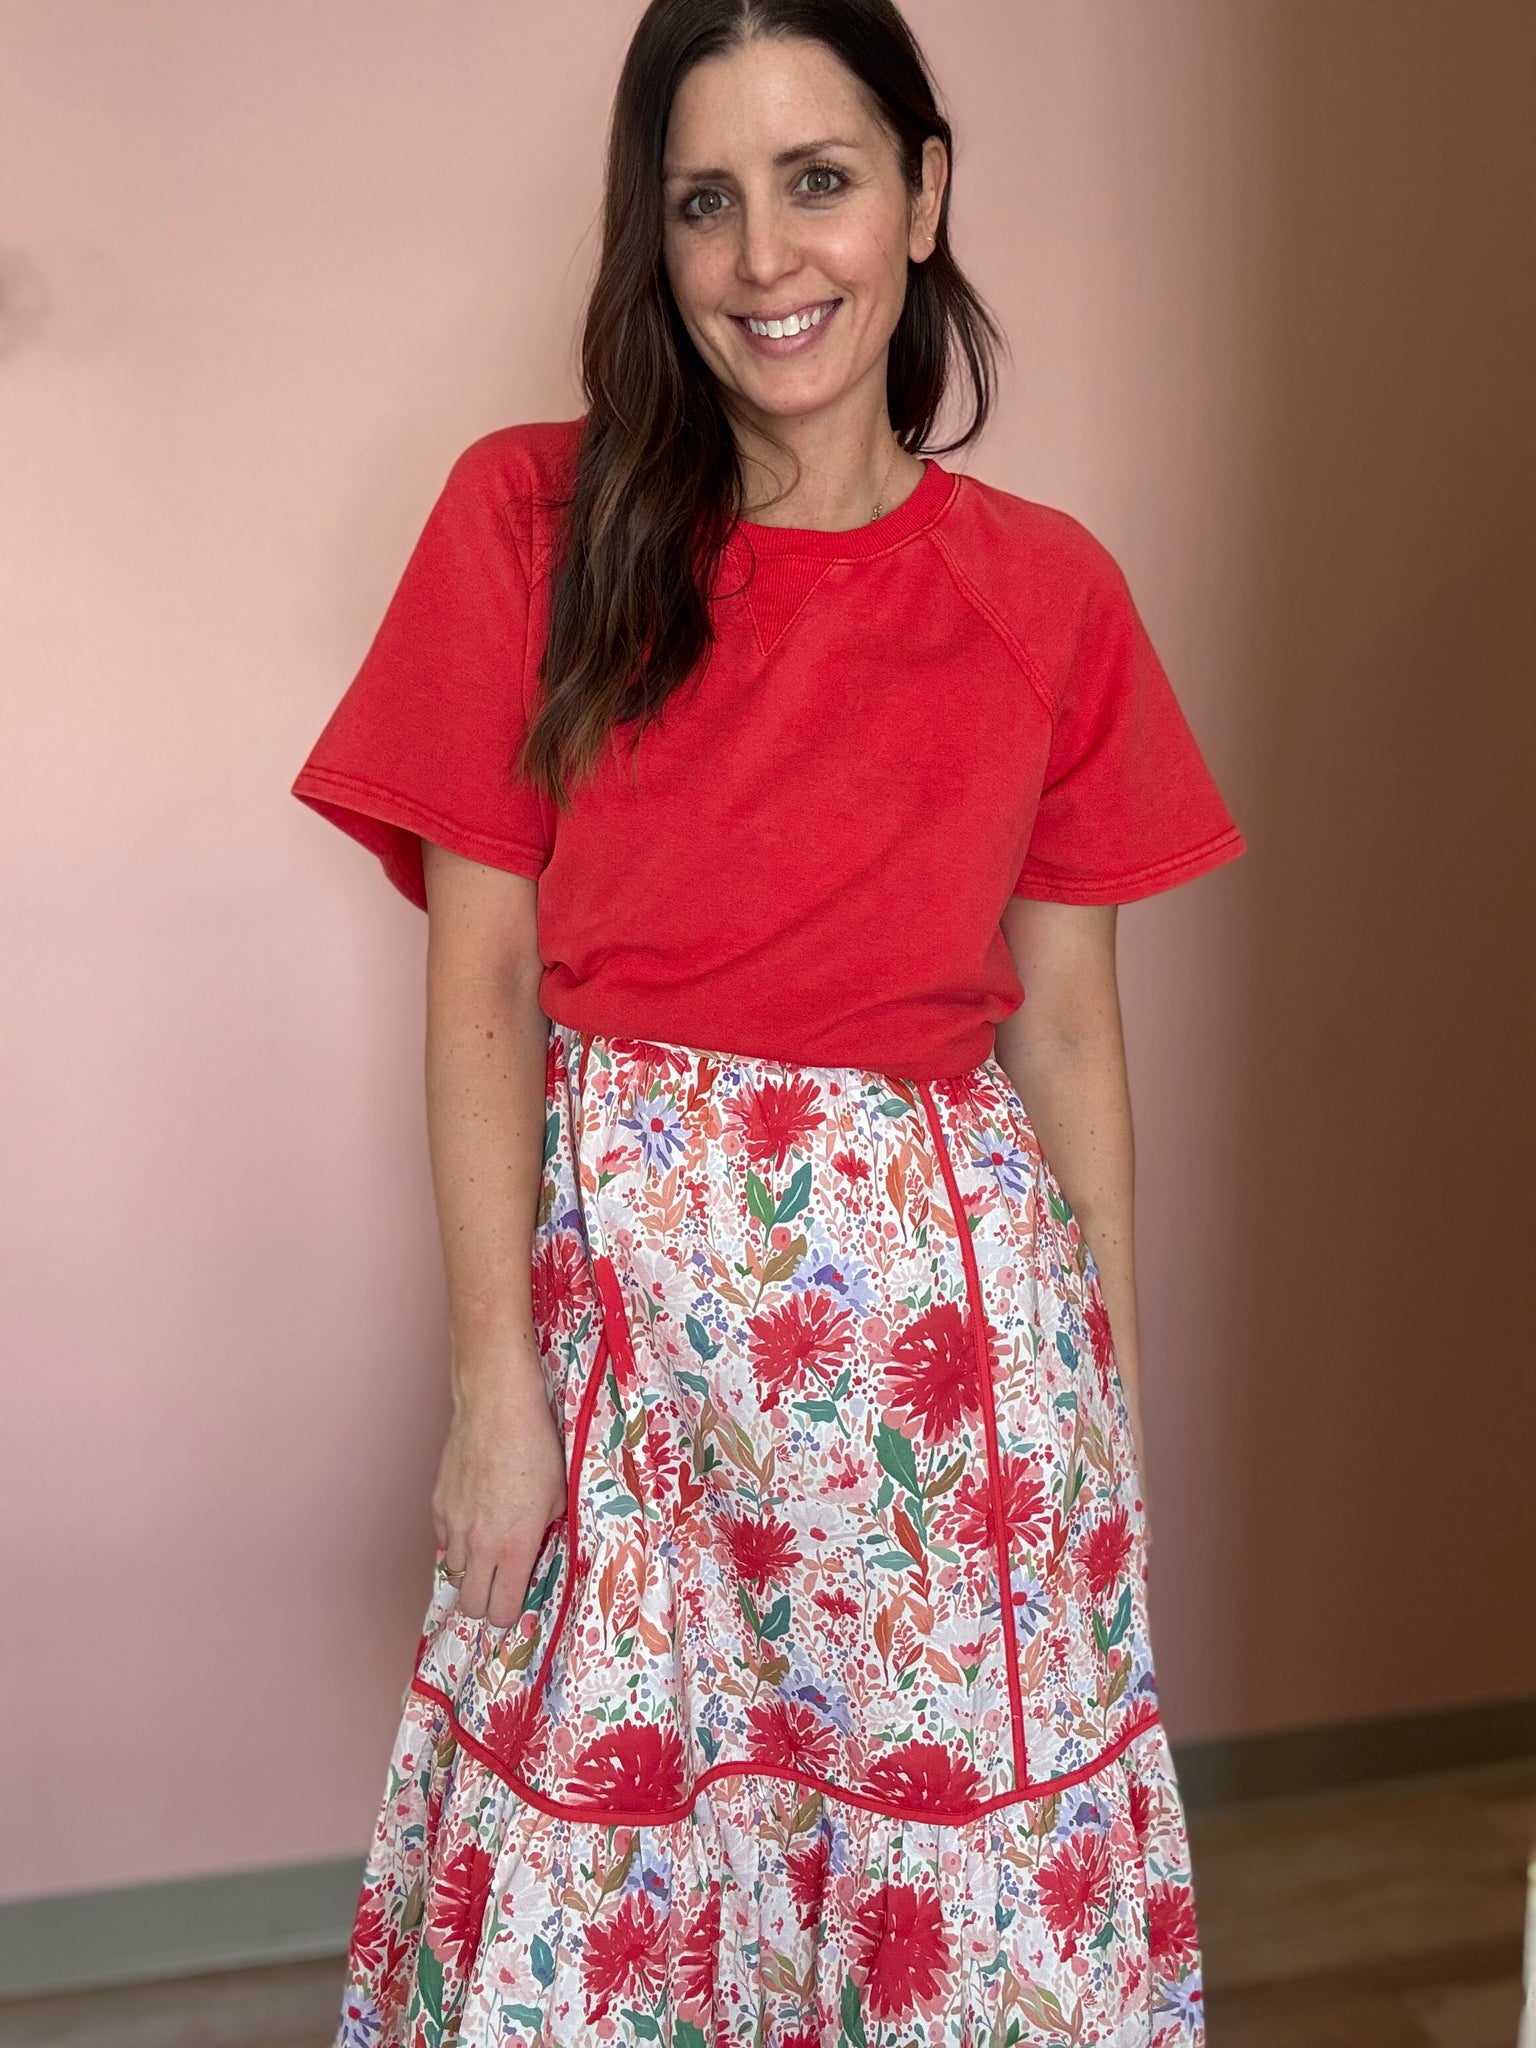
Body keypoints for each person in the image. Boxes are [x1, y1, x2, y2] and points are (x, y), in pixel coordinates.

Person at [291, 2, 1245, 2042]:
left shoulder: (1049, 593)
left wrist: (1110, 1411)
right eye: (703, 202)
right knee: (600, 1914)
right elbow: (483, 981)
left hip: (947, 1381)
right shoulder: (525, 525)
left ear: (925, 193)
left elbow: (1072, 1036)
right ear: (653, 237)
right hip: (623, 1346)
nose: (763, 258)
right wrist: (492, 1386)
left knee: (944, 1939)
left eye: (820, 181)